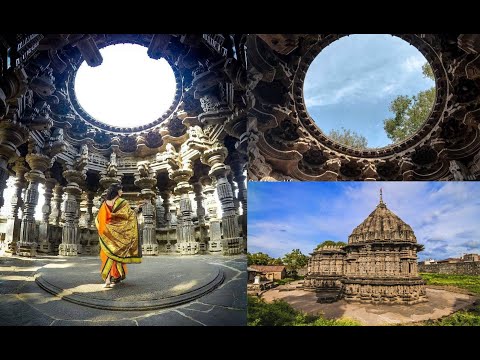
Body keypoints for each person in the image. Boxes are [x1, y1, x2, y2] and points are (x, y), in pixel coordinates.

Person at [95, 183, 142, 288]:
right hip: (118, 235)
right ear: (117, 191)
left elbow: (99, 219)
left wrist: (105, 230)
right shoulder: (123, 202)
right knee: (116, 255)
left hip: (107, 234)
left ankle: (107, 280)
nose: (122, 192)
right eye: (121, 190)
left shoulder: (105, 203)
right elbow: (127, 216)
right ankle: (117, 276)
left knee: (107, 255)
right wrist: (137, 209)